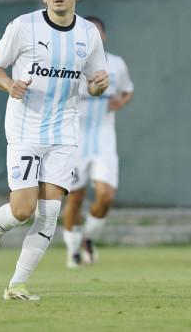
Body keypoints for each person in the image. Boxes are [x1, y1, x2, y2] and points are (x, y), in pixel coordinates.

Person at [0, 0, 109, 300]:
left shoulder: (88, 34)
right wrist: (8, 85)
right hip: (25, 130)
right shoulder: (24, 26)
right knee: (22, 210)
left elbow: (93, 84)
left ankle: (17, 285)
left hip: (64, 132)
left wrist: (99, 86)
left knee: (50, 213)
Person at [61, 16, 134, 268]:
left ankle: (88, 237)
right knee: (75, 198)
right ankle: (73, 251)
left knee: (106, 196)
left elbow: (128, 90)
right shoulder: (67, 63)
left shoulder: (116, 64)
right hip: (74, 141)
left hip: (104, 140)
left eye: (97, 31)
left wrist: (121, 101)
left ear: (103, 36)